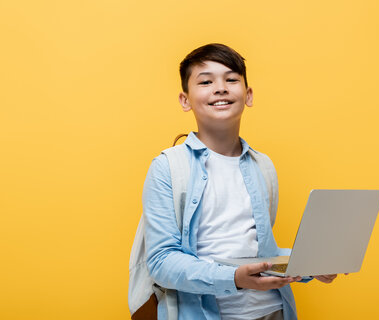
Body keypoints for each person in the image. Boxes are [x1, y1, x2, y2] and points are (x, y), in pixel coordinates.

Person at [142, 43, 337, 320]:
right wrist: (233, 278)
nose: (220, 88)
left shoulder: (263, 166)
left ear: (248, 95)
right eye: (206, 81)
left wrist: (310, 262)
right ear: (185, 100)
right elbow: (162, 262)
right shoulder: (168, 167)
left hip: (273, 310)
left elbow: (260, 252)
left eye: (231, 79)